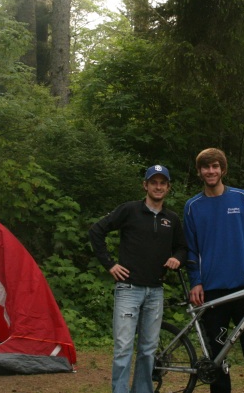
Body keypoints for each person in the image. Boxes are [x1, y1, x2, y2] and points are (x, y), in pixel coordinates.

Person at [183, 148, 244, 393]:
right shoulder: (192, 206)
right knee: (217, 354)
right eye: (206, 167)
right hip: (212, 290)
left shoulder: (241, 198)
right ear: (199, 172)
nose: (210, 171)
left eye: (215, 166)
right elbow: (190, 250)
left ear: (223, 169)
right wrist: (195, 281)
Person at [89, 164, 187, 393]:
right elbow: (96, 231)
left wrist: (177, 258)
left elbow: (182, 247)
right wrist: (110, 264)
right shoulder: (129, 210)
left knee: (148, 349)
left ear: (168, 187)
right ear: (145, 185)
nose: (158, 187)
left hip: (156, 291)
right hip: (128, 289)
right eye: (154, 182)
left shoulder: (171, 219)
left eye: (162, 183)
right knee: (123, 347)